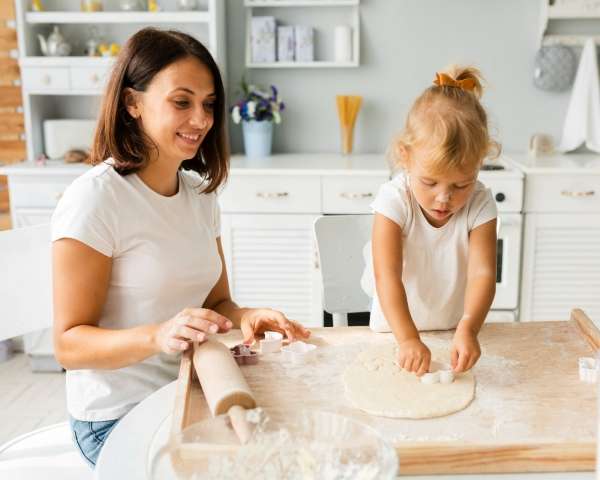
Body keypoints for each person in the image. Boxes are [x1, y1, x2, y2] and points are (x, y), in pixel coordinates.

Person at [51, 27, 310, 468]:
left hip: (190, 389)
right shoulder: (96, 199)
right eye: (181, 101)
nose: (202, 120)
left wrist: (248, 316)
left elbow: (216, 302)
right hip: (115, 417)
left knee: (290, 449)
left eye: (208, 104)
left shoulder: (200, 195)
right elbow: (69, 344)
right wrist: (158, 335)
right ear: (132, 103)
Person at [364, 65, 499, 378]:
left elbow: (483, 274)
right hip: (393, 336)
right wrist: (408, 338)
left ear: (479, 165)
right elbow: (387, 277)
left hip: (455, 333)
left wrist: (469, 328)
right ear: (405, 156)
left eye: (461, 185)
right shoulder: (394, 200)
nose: (444, 198)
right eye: (430, 182)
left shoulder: (480, 203)